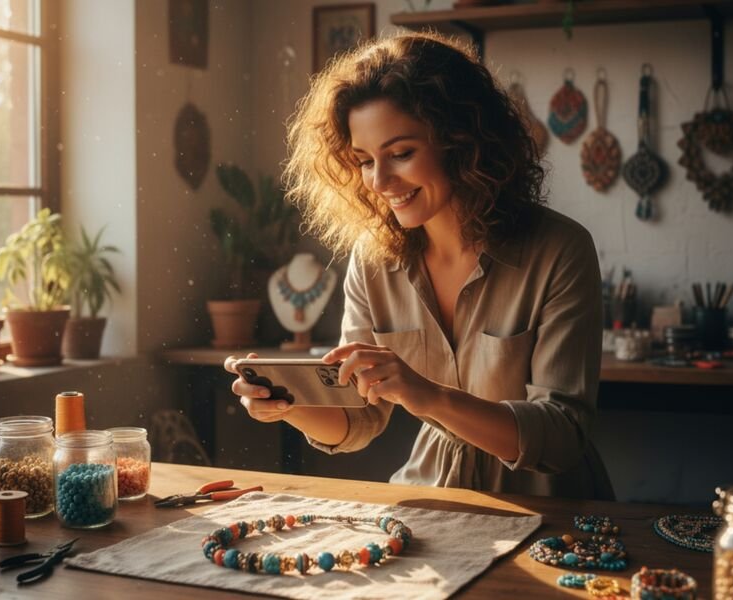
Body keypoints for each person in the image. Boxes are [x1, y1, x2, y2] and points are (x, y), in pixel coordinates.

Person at [224, 31, 614, 500]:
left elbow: (563, 434)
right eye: (364, 160)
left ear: (462, 141)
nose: (380, 181)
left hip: (555, 513)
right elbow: (358, 420)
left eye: (401, 153)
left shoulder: (560, 250)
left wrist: (424, 393)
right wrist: (286, 405)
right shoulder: (373, 262)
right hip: (435, 498)